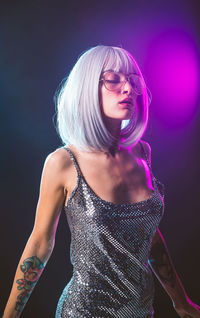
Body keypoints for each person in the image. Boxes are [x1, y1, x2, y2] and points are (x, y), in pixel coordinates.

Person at [3, 45, 200, 318]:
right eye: (113, 79)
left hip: (141, 311)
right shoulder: (63, 162)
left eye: (132, 80)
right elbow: (39, 244)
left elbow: (147, 235)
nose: (128, 88)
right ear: (86, 88)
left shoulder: (142, 152)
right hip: (84, 312)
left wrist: (181, 301)